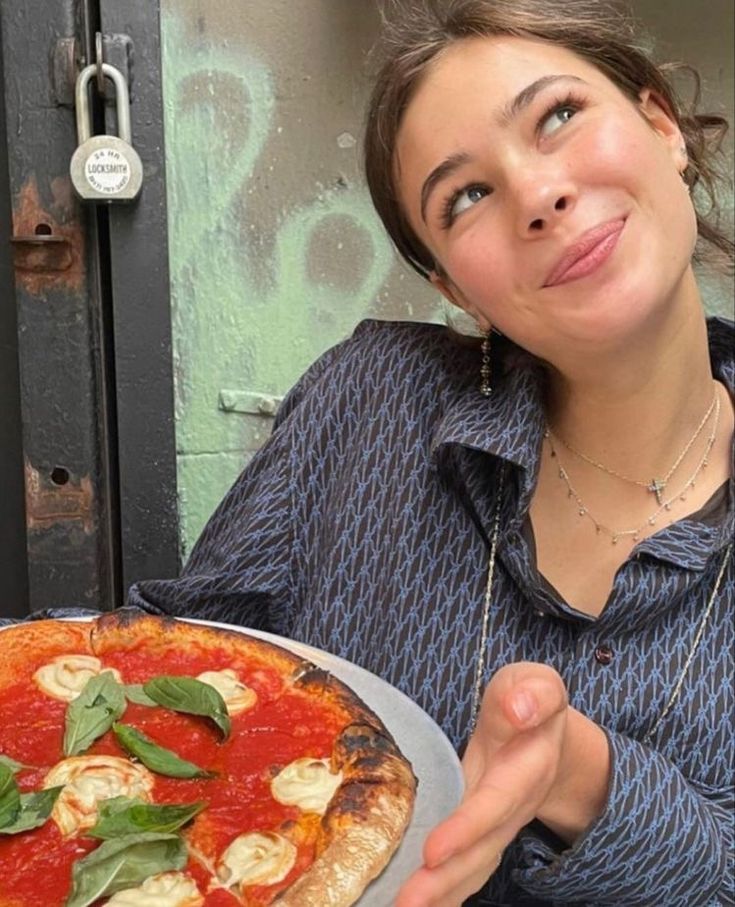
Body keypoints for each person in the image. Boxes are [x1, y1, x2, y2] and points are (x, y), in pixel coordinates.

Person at [6, 1, 731, 904]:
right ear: (450, 284)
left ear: (660, 125)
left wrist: (582, 774)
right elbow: (169, 667)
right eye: (464, 196)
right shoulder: (366, 397)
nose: (538, 196)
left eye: (558, 116)